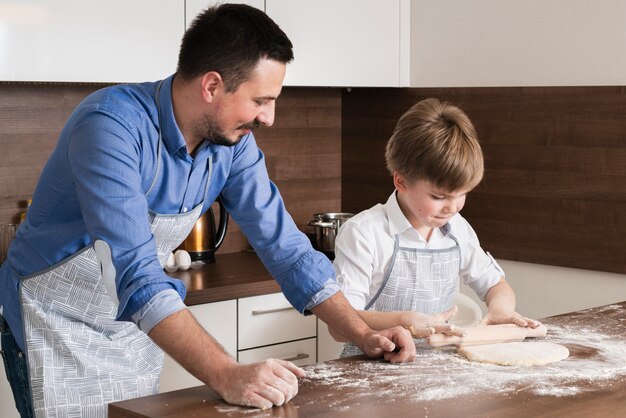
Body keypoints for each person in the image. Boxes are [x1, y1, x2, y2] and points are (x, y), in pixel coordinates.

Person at [0, 4, 416, 417]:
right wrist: (227, 374)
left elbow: (284, 245)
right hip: (56, 323)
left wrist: (362, 333)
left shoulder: (232, 145)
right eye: (261, 100)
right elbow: (134, 272)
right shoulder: (109, 126)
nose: (269, 117)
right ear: (212, 86)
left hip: (129, 323)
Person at [329, 98, 540, 357]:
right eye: (439, 197)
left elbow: (496, 285)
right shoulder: (364, 233)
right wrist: (406, 320)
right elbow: (339, 328)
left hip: (435, 372)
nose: (452, 208)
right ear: (401, 181)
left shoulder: (456, 229)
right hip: (369, 372)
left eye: (461, 194)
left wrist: (501, 309)